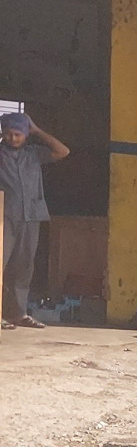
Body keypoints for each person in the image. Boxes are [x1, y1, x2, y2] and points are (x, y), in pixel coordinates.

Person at [0, 112, 69, 330]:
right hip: (4, 217)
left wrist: (37, 130)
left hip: (31, 217)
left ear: (26, 134)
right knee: (0, 264)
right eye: (8, 134)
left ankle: (17, 313)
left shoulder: (33, 153)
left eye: (18, 134)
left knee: (23, 267)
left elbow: (63, 151)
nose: (13, 138)